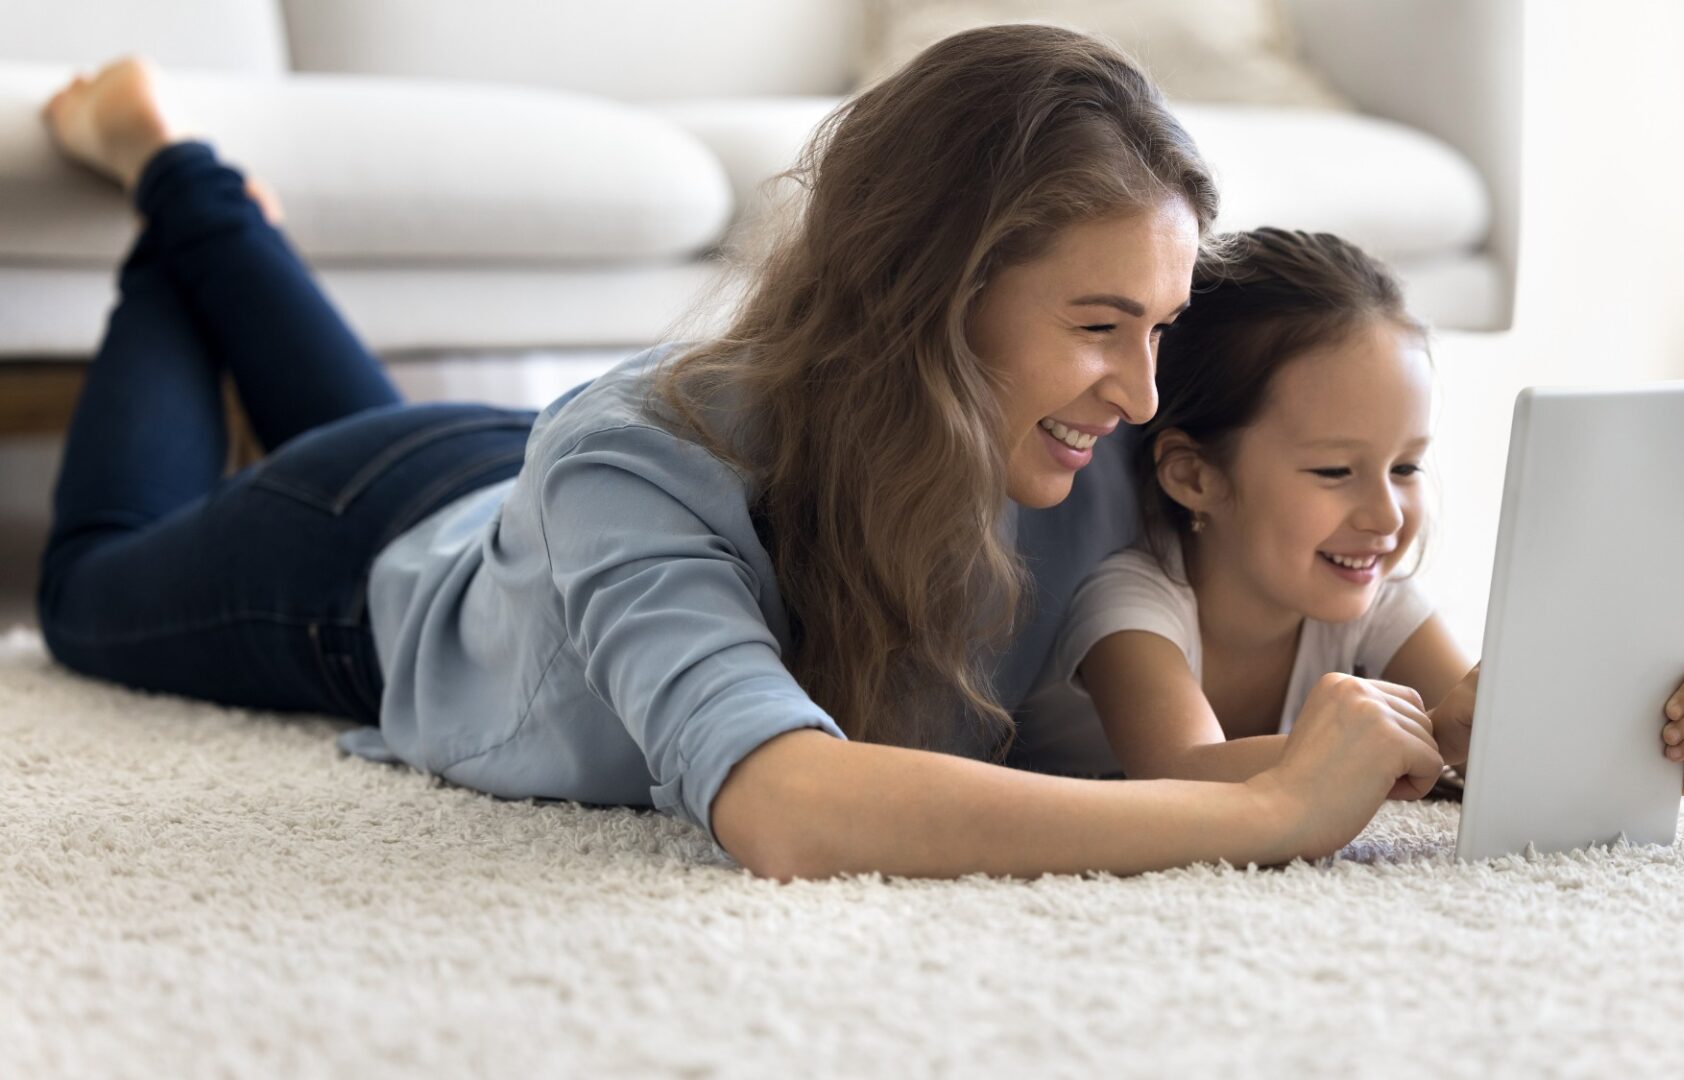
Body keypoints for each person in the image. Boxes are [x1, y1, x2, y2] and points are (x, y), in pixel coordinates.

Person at [39, 32, 1478, 884]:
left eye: (1159, 326)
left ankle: (224, 228)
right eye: (1101, 323)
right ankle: (180, 188)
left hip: (530, 497)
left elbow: (1301, 545)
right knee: (89, 592)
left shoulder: (1087, 433)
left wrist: (1519, 720)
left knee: (362, 414)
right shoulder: (632, 458)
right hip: (363, 565)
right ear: (933, 291)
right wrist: (1268, 811)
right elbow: (788, 805)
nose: (1145, 390)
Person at [1011, 228, 1684, 809]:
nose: (1385, 514)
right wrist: (1442, 734)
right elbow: (1181, 772)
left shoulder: (1372, 600)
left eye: (1406, 468)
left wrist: (1654, 752)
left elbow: (1495, 736)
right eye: (1335, 471)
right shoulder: (1131, 601)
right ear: (1194, 475)